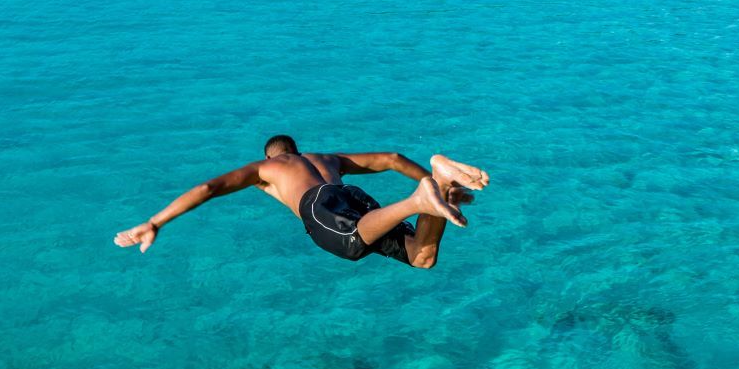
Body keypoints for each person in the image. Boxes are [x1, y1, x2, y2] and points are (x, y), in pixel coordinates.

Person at [114, 138, 487, 270]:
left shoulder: (266, 169)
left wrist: (156, 221)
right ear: (296, 149)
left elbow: (209, 186)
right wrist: (426, 177)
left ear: (273, 157)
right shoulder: (327, 158)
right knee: (422, 257)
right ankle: (437, 180)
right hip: (354, 197)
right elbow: (390, 157)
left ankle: (419, 199)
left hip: (320, 206)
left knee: (353, 245)